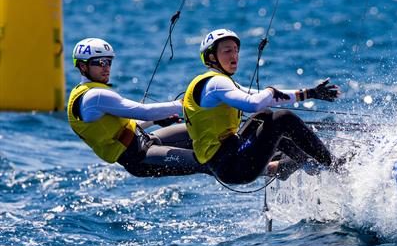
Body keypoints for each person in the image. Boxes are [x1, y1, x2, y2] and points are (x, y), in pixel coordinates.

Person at [183, 28, 340, 184]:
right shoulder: (217, 83)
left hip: (227, 158)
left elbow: (261, 99)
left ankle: (306, 161)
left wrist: (310, 93)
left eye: (236, 51)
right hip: (232, 167)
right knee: (283, 118)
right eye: (227, 51)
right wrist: (270, 90)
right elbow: (254, 103)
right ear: (211, 57)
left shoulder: (210, 81)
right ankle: (334, 164)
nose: (234, 56)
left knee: (264, 116)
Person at [67, 38, 208, 177]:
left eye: (109, 62)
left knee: (205, 130)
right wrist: (183, 104)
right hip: (141, 158)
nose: (107, 67)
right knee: (205, 162)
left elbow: (125, 128)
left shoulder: (86, 93)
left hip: (146, 140)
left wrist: (156, 121)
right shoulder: (95, 96)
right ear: (83, 66)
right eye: (101, 62)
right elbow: (144, 112)